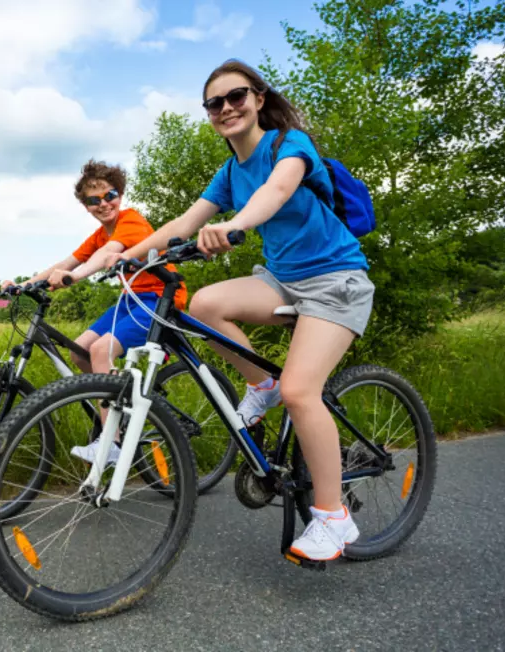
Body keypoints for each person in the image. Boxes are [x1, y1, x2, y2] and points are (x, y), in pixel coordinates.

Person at [104, 60, 375, 562]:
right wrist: (129, 255)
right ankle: (261, 384)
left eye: (237, 96)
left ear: (258, 98)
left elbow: (275, 192)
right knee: (204, 304)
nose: (227, 108)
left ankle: (334, 518)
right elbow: (186, 220)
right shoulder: (230, 171)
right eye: (215, 102)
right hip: (283, 280)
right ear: (208, 114)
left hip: (336, 280)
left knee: (301, 391)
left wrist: (235, 228)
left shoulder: (289, 144)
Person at [0, 159, 187, 466]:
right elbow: (67, 261)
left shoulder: (132, 221)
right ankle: (122, 404)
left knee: (100, 350)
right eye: (93, 200)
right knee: (79, 352)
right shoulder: (99, 234)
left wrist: (77, 277)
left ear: (120, 194)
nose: (103, 204)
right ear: (85, 206)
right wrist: (24, 284)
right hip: (131, 299)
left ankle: (111, 441)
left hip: (159, 299)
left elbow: (104, 257)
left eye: (109, 195)